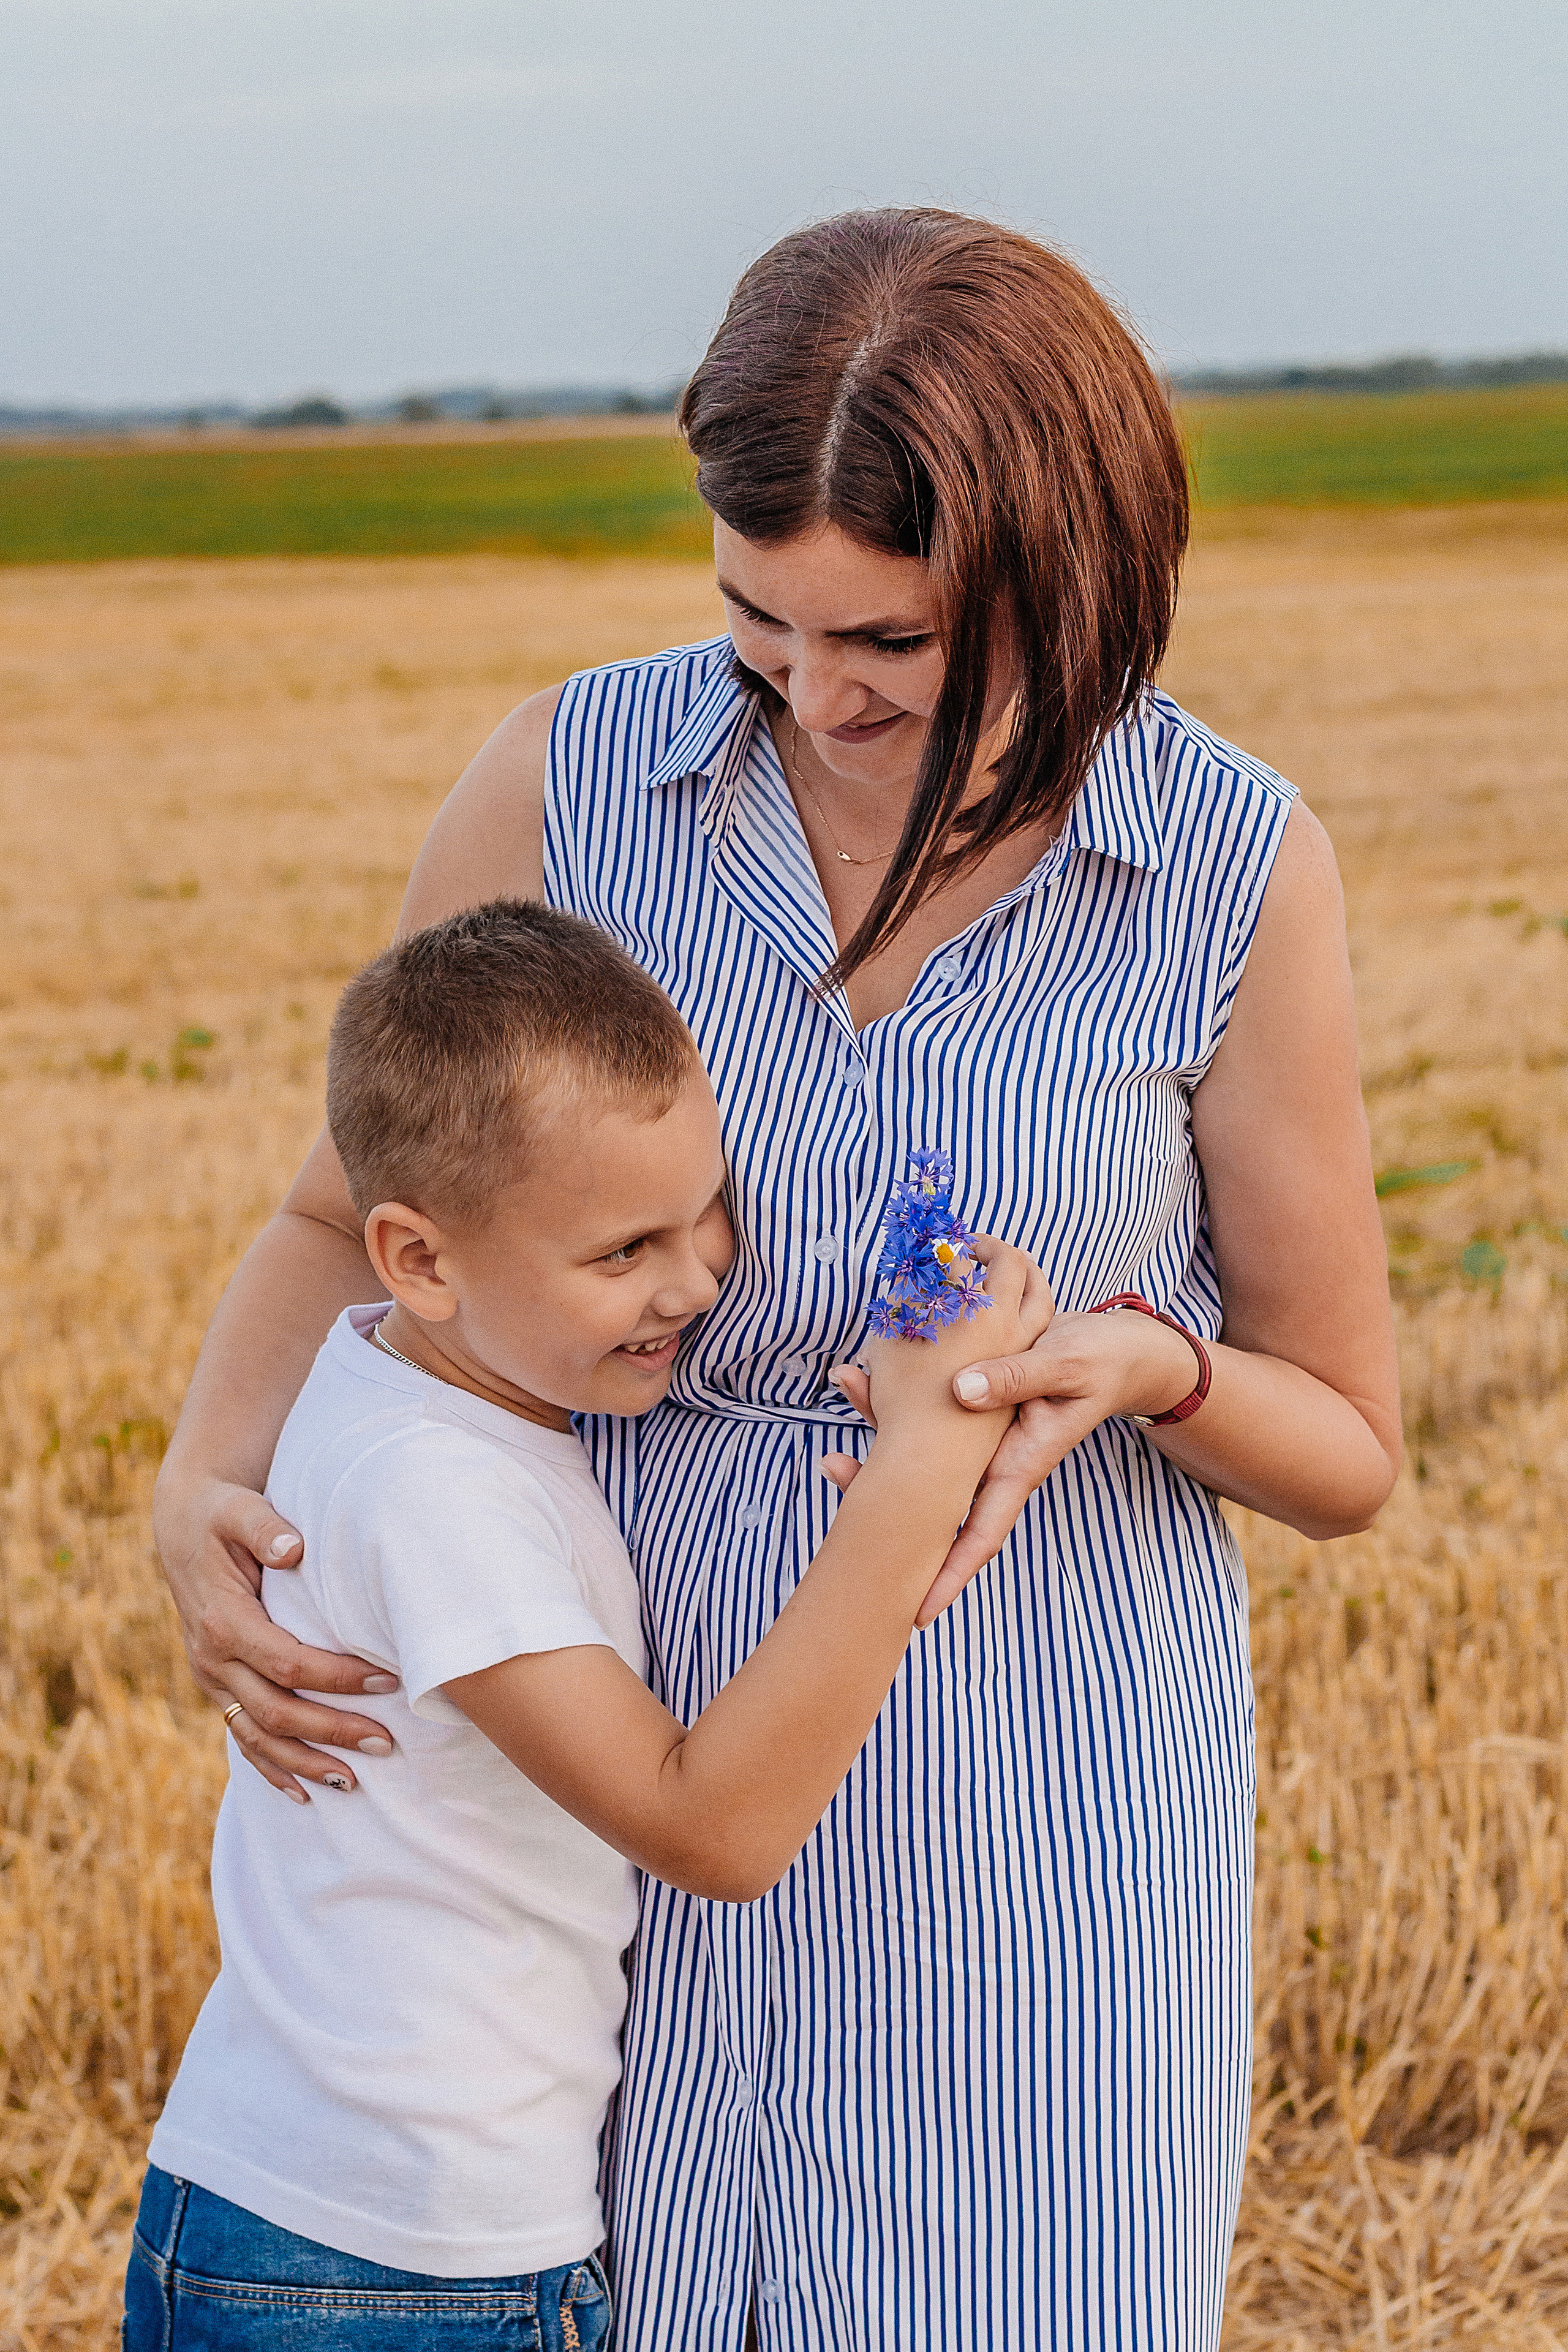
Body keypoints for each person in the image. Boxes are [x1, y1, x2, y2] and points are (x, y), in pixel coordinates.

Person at [152, 209, 1401, 2350]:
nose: (816, 696)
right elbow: (335, 1212)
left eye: (892, 645)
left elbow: (1351, 1444)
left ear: (1067, 582)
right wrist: (199, 1483)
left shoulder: (1229, 863)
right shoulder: (565, 783)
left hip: (1038, 1824)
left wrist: (1138, 1365)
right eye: (758, 619)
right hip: (607, 1811)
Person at [126, 899, 1042, 2350]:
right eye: (623, 1252)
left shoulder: (410, 1393)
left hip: (343, 2225)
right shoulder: (433, 1491)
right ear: (418, 1261)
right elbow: (711, 1831)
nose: (693, 1281)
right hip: (385, 2266)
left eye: (708, 1215)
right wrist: (923, 1468)